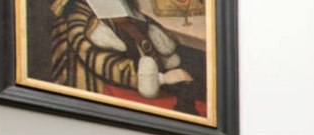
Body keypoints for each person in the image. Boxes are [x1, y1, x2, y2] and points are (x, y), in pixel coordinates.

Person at [49, 0, 205, 116]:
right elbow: (102, 62)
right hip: (99, 95)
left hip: (134, 86)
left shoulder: (122, 8)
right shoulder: (79, 15)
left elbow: (145, 40)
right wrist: (161, 78)